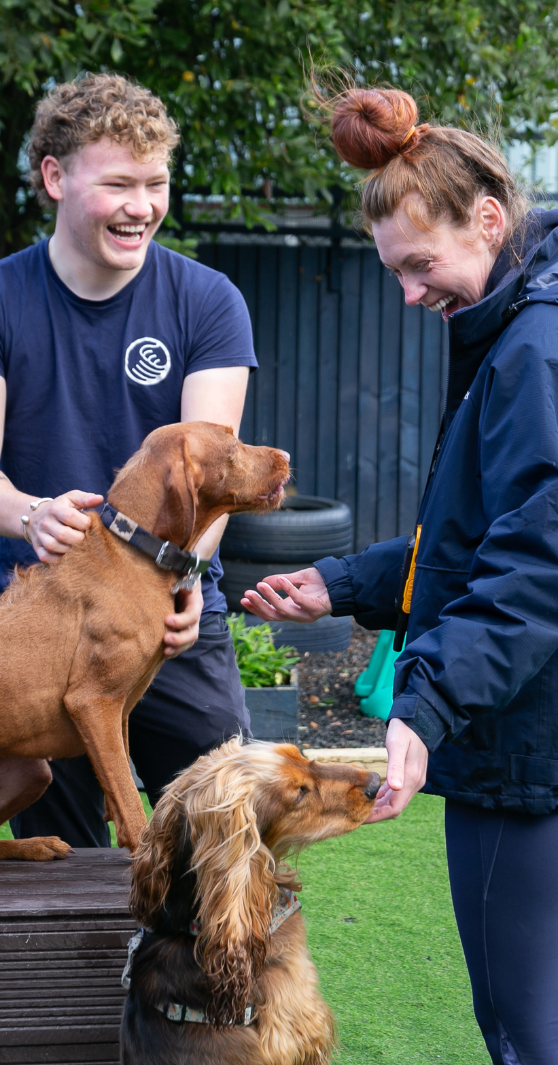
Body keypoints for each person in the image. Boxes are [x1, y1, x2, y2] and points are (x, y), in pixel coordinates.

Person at [243, 84, 558, 1065]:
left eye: (419, 266)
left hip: (529, 752)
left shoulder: (537, 350)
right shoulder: (515, 329)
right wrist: (342, 581)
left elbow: (534, 564)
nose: (410, 295)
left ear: (490, 220)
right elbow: (471, 534)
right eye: (395, 272)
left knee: (523, 1032)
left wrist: (420, 708)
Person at [0, 73, 257, 845]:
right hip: (42, 619)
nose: (141, 205)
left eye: (156, 183)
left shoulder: (207, 301)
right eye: (117, 182)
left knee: (223, 829)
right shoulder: (5, 298)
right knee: (70, 871)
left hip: (175, 613)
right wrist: (30, 513)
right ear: (55, 177)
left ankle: (223, 967)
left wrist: (184, 573)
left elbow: (214, 482)